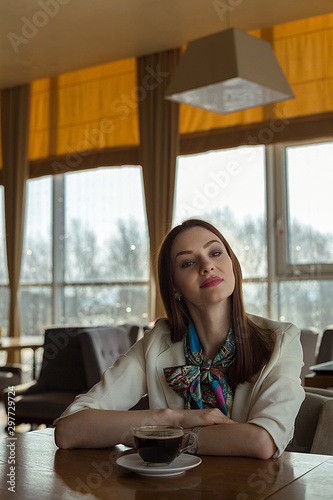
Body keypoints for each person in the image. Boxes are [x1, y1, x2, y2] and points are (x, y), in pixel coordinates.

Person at [54, 219, 304, 459]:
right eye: (187, 263)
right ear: (174, 287)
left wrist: (170, 438)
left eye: (215, 253)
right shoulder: (156, 343)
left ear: (232, 263)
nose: (206, 266)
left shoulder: (282, 340)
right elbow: (69, 430)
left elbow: (261, 441)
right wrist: (172, 418)